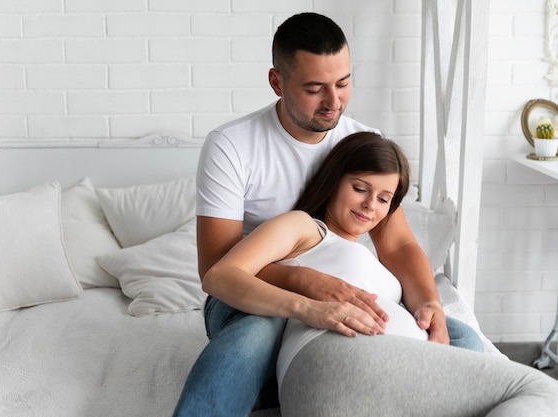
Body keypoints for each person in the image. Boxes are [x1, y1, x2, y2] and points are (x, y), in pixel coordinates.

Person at [172, 12, 482, 417]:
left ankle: (280, 384)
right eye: (315, 88)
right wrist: (307, 283)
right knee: (256, 334)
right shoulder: (232, 146)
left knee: (463, 343)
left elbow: (399, 243)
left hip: (343, 284)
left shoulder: (359, 141)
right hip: (245, 294)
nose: (333, 102)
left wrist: (429, 304)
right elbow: (216, 268)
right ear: (277, 82)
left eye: (343, 83)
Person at [204, 132, 558, 417]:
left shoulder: (377, 263)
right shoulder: (306, 228)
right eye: (359, 188)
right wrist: (307, 306)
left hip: (377, 383)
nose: (370, 205)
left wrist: (430, 305)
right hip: (343, 362)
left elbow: (406, 251)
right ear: (332, 182)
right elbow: (219, 276)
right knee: (543, 390)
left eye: (384, 199)